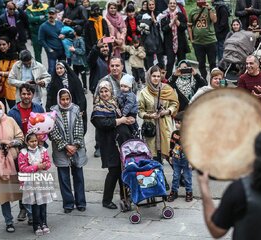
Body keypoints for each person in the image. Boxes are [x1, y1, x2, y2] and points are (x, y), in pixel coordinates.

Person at [91, 81, 134, 209]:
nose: (104, 94)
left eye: (107, 91)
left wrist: (129, 120)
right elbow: (103, 124)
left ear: (111, 92)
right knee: (114, 171)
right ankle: (106, 200)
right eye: (102, 91)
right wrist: (120, 120)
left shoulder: (115, 103)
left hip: (120, 143)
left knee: (123, 170)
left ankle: (124, 196)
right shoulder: (97, 109)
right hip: (109, 145)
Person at [0, 100, 24, 233]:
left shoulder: (10, 120)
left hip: (13, 159)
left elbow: (20, 137)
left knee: (21, 188)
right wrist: (0, 143)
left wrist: (11, 143)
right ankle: (9, 221)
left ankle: (28, 214)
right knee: (3, 194)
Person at [7, 83, 44, 223]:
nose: (26, 96)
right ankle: (24, 209)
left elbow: (44, 128)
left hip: (36, 151)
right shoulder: (13, 112)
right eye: (23, 94)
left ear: (32, 95)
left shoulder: (38, 108)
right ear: (19, 94)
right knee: (22, 182)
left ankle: (36, 211)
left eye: (28, 94)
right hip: (20, 152)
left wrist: (41, 141)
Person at [48, 89, 87, 213]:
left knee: (79, 176)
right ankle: (68, 204)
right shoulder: (53, 112)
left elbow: (79, 128)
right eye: (62, 99)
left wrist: (75, 145)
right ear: (58, 99)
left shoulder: (76, 110)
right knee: (64, 178)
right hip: (61, 150)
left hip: (76, 149)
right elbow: (53, 132)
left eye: (67, 99)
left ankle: (81, 202)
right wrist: (66, 146)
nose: (65, 102)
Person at [18, 132, 56, 236]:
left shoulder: (43, 150)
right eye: (31, 141)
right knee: (35, 204)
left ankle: (44, 223)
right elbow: (23, 168)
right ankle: (36, 225)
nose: (34, 143)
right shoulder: (23, 153)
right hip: (31, 180)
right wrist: (36, 167)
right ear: (27, 142)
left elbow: (48, 162)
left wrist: (45, 165)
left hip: (42, 179)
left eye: (35, 141)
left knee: (43, 203)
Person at [138, 65, 179, 161]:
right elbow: (140, 111)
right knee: (153, 155)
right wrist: (149, 115)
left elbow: (175, 104)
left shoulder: (167, 89)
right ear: (149, 76)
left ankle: (178, 175)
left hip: (165, 125)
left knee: (169, 154)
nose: (156, 78)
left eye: (158, 76)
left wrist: (167, 111)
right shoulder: (144, 92)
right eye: (153, 76)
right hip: (151, 126)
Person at [46, 61, 87, 133]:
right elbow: (50, 98)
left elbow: (80, 95)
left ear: (65, 68)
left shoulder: (73, 79)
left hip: (74, 111)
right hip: (60, 113)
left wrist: (81, 109)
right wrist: (49, 112)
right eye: (57, 69)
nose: (59, 70)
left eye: (61, 68)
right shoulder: (54, 82)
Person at [167, 111, 193, 202]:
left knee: (187, 177)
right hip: (176, 159)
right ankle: (174, 192)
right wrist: (170, 156)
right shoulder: (174, 133)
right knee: (175, 176)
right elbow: (171, 145)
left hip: (186, 160)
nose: (177, 125)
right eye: (176, 123)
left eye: (179, 123)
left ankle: (189, 192)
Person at [188, 0, 217, 80]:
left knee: (212, 63)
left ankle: (213, 80)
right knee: (201, 63)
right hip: (198, 42)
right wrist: (191, 40)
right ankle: (203, 79)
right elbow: (189, 26)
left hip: (210, 40)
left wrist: (209, 9)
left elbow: (214, 20)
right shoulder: (192, 11)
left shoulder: (211, 8)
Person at [161, 0, 190, 79]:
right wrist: (172, 22)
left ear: (176, 5)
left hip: (180, 43)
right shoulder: (164, 16)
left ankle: (184, 79)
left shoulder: (180, 15)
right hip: (169, 44)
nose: (172, 5)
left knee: (182, 63)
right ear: (168, 4)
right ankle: (168, 81)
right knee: (170, 63)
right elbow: (164, 29)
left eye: (174, 3)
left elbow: (184, 27)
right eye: (171, 3)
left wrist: (176, 21)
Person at [38, 7, 65, 75]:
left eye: (53, 14)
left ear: (56, 15)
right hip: (52, 51)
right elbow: (41, 40)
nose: (51, 16)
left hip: (62, 50)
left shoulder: (60, 24)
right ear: (47, 14)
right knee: (52, 69)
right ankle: (49, 85)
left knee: (63, 69)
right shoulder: (43, 26)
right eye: (50, 14)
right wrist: (48, 49)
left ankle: (62, 84)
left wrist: (64, 35)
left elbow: (65, 33)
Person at [138, 0, 164, 70]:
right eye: (150, 5)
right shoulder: (145, 15)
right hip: (149, 41)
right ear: (148, 6)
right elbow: (143, 31)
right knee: (149, 62)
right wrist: (150, 21)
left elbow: (163, 28)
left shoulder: (159, 15)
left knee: (161, 61)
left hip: (158, 40)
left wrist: (155, 21)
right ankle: (150, 76)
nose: (151, 6)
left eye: (153, 4)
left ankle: (160, 76)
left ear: (155, 5)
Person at [0, 36, 18, 110]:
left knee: (13, 110)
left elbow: (14, 73)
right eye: (0, 45)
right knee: (1, 111)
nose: (1, 47)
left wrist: (0, 73)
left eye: (4, 44)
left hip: (10, 88)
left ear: (9, 45)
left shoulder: (14, 57)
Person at [70, 25, 87, 93]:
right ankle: (76, 86)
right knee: (75, 75)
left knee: (83, 74)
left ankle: (85, 87)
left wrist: (74, 50)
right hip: (75, 61)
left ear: (75, 32)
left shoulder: (81, 40)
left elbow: (83, 51)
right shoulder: (75, 39)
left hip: (80, 62)